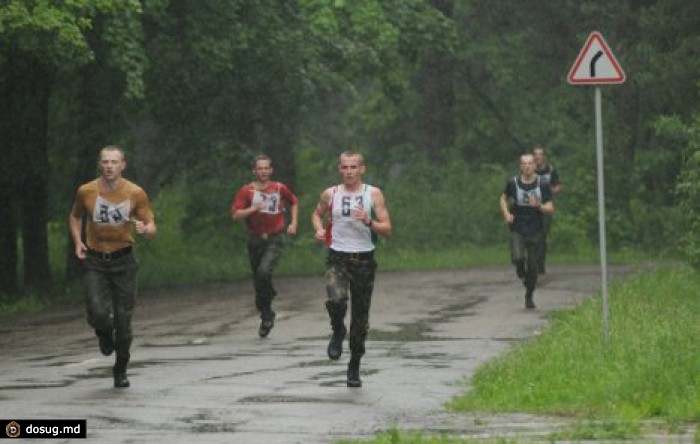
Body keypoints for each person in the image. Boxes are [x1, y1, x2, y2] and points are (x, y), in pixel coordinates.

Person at [69, 145, 157, 388]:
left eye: (114, 162)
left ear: (123, 165)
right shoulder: (86, 191)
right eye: (105, 162)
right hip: (96, 260)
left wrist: (144, 229)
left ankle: (121, 368)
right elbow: (75, 216)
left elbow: (151, 226)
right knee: (97, 311)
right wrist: (78, 241)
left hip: (124, 261)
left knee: (123, 320)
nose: (109, 166)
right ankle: (103, 333)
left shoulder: (135, 193)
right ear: (100, 164)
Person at [311, 150, 392, 388]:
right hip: (337, 257)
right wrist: (318, 229)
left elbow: (387, 228)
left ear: (362, 169)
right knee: (336, 299)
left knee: (360, 318)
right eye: (344, 167)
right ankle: (337, 330)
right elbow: (316, 214)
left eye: (353, 167)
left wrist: (369, 221)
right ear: (339, 169)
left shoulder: (373, 193)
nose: (349, 172)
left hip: (364, 261)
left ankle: (355, 362)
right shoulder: (331, 193)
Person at [231, 154, 299, 338]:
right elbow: (236, 215)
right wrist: (253, 208)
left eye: (266, 168)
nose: (263, 171)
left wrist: (293, 223)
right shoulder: (246, 191)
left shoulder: (278, 188)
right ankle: (266, 312)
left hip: (274, 238)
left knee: (264, 272)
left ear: (271, 170)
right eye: (259, 168)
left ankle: (267, 306)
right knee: (258, 279)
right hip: (255, 239)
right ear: (254, 171)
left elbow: (294, 201)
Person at [500, 153, 554, 309]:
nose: (527, 166)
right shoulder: (513, 183)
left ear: (534, 166)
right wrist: (507, 214)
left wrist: (539, 206)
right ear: (520, 166)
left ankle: (529, 294)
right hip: (518, 227)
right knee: (517, 257)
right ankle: (519, 269)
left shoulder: (542, 184)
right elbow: (503, 198)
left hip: (536, 229)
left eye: (530, 163)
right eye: (524, 163)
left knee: (533, 267)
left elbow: (550, 208)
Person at [533, 145, 562, 274]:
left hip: (545, 206)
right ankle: (532, 260)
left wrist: (554, 190)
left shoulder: (550, 170)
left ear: (544, 157)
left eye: (540, 154)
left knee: (542, 236)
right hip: (531, 207)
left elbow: (558, 186)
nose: (538, 157)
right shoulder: (529, 170)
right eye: (536, 154)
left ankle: (540, 262)